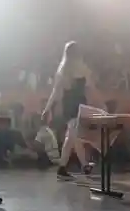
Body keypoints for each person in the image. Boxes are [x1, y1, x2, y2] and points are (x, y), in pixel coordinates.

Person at [41, 40, 95, 178]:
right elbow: (90, 87)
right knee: (74, 136)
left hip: (70, 105)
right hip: (78, 105)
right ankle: (75, 166)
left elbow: (55, 92)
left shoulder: (62, 70)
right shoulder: (82, 68)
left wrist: (47, 108)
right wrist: (98, 103)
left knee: (72, 136)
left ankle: (72, 166)